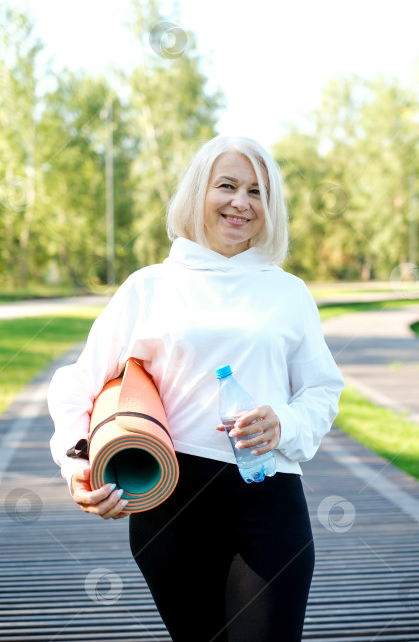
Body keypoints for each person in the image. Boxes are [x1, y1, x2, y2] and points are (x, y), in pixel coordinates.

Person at [48, 135, 345, 642]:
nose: (241, 202)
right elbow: (78, 384)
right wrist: (78, 466)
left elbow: (321, 391)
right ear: (196, 194)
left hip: (268, 500)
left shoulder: (289, 292)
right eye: (226, 185)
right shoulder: (148, 286)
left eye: (257, 192)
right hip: (170, 505)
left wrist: (284, 423)